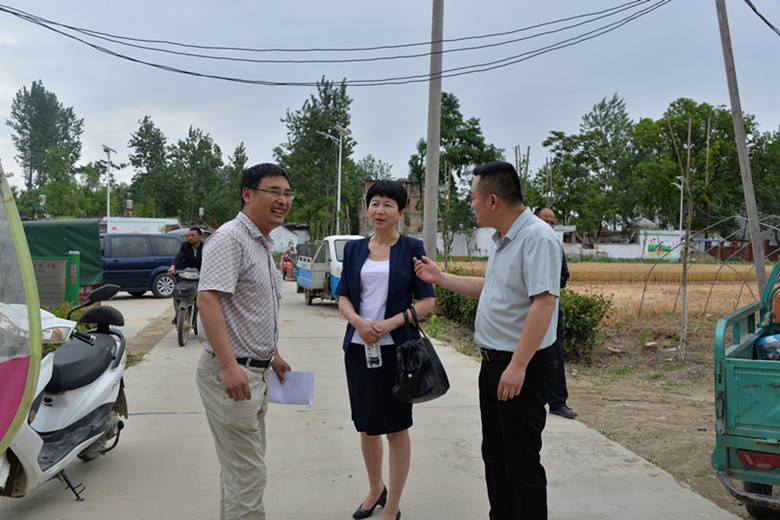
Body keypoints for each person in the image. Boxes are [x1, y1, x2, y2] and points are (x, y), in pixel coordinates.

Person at [414, 161, 560, 520]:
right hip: (495, 365)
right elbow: (493, 289)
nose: (472, 205)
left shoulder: (537, 238)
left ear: (492, 199)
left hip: (519, 368)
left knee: (521, 463)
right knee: (496, 455)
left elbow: (545, 302)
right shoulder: (502, 240)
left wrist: (518, 365)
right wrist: (441, 277)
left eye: (474, 198)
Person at [195, 163, 294, 520]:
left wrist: (274, 354)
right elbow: (207, 300)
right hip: (234, 375)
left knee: (240, 472)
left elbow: (253, 308)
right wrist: (228, 365)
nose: (282, 201)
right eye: (274, 192)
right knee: (248, 476)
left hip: (256, 372)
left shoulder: (261, 243)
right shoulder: (231, 238)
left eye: (287, 193)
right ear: (248, 194)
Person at [336, 180, 436, 520]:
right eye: (374, 203)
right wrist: (360, 324)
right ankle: (375, 488)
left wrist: (390, 324)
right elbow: (344, 296)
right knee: (366, 426)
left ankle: (392, 506)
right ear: (367, 208)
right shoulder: (353, 250)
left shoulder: (412, 248)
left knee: (396, 427)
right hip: (358, 347)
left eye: (387, 205)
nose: (379, 210)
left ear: (401, 212)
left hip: (398, 351)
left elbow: (428, 301)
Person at [534, 207, 578, 420]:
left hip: (552, 311)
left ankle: (558, 402)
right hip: (528, 310)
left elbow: (564, 277)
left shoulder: (555, 247)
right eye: (545, 221)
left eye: (552, 222)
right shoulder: (529, 243)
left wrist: (548, 283)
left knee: (554, 357)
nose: (549, 226)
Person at [169, 227, 204, 325]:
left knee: (202, 297)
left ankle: (199, 318)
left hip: (201, 276)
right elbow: (178, 257)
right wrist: (173, 267)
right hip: (186, 276)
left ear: (199, 237)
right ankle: (178, 315)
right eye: (189, 235)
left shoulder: (205, 247)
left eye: (193, 235)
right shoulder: (185, 246)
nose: (190, 237)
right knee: (177, 293)